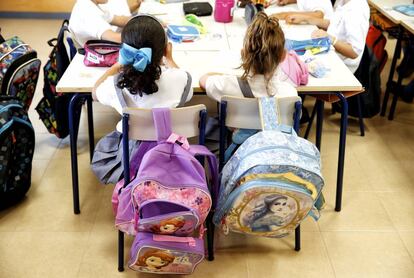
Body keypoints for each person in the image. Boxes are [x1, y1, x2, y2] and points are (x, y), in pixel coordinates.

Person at [91, 15, 193, 184]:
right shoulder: (181, 79)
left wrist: (117, 66)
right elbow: (185, 89)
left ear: (124, 52)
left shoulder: (115, 85)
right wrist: (170, 59)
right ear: (165, 50)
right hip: (171, 154)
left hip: (129, 157)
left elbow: (95, 93)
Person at [199, 12, 297, 102]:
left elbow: (203, 80)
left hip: (234, 122)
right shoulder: (290, 94)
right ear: (283, 56)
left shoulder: (227, 85)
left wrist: (220, 75)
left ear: (243, 54)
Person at [284, 0, 370, 73]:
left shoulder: (357, 10)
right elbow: (335, 24)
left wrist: (331, 39)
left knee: (291, 66)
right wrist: (306, 19)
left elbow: (354, 52)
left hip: (341, 66)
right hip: (330, 52)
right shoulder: (343, 1)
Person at [69, 0, 142, 46]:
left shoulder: (93, 5)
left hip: (100, 45)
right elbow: (116, 38)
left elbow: (120, 20)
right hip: (95, 54)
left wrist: (145, 21)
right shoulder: (87, 11)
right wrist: (144, 34)